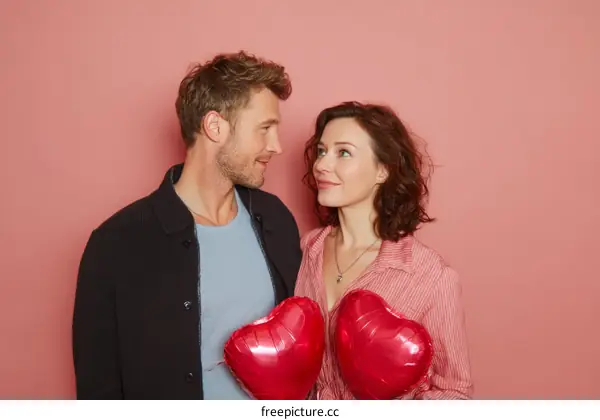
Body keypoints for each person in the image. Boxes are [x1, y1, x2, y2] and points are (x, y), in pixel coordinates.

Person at [72, 51, 302, 399]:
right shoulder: (115, 244)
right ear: (215, 126)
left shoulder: (276, 220)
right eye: (265, 129)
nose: (277, 146)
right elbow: (97, 388)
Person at [294, 101, 473, 399]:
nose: (322, 165)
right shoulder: (307, 249)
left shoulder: (430, 276)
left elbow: (455, 393)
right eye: (322, 151)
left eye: (344, 152)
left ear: (382, 171)